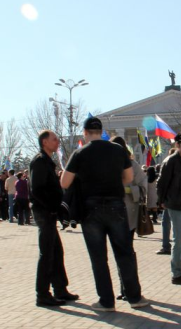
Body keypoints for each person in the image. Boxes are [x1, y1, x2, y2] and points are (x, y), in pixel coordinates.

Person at [61, 117, 149, 311]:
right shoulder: (118, 150)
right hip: (116, 206)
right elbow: (128, 177)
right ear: (101, 131)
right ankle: (135, 297)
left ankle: (106, 301)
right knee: (125, 253)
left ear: (84, 133)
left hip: (90, 209)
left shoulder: (80, 153)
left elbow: (65, 183)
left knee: (99, 258)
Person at [29, 130, 77, 307]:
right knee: (47, 253)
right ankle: (42, 294)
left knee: (56, 251)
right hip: (44, 212)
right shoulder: (40, 161)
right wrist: (50, 208)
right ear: (44, 142)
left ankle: (60, 289)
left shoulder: (47, 161)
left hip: (49, 211)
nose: (57, 142)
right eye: (54, 139)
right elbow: (37, 189)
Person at [156, 131, 181, 286]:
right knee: (179, 238)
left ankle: (179, 270)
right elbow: (162, 182)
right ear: (177, 145)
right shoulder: (171, 160)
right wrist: (161, 201)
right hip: (175, 201)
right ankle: (176, 274)